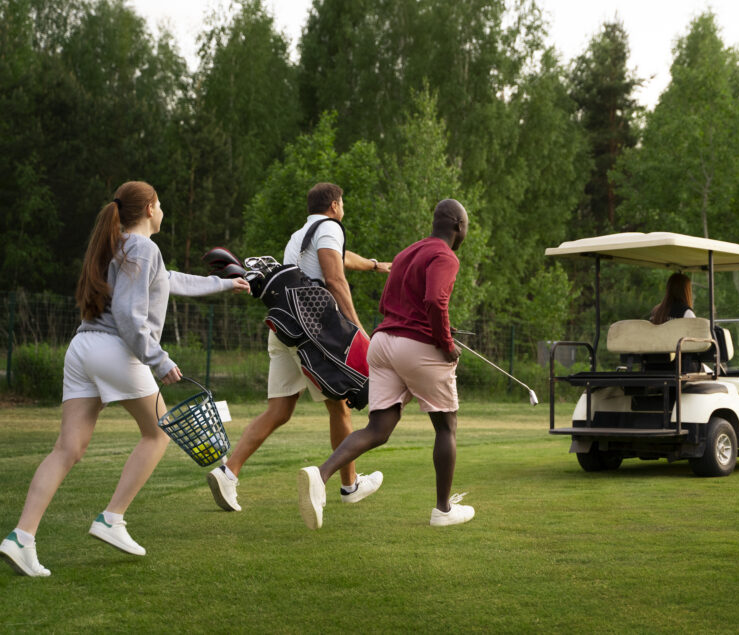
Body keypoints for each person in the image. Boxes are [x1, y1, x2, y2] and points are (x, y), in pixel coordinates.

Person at [0, 181, 249, 578]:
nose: (163, 209)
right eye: (161, 203)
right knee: (159, 433)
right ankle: (112, 519)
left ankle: (21, 538)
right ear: (150, 208)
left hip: (82, 349)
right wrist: (160, 360)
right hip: (116, 349)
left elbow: (170, 280)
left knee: (67, 448)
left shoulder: (119, 246)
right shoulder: (143, 247)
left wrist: (223, 283)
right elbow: (130, 317)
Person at [206, 182, 391, 513]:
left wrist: (377, 265)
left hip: (285, 328)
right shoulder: (332, 227)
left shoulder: (300, 236)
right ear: (334, 205)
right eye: (343, 203)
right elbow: (334, 279)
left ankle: (228, 472)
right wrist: (359, 330)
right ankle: (349, 485)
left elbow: (342, 259)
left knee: (279, 410)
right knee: (340, 407)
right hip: (313, 335)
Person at [297, 198, 473, 530]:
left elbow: (386, 302)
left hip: (382, 343)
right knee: (446, 427)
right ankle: (443, 510)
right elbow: (436, 300)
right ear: (459, 228)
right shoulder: (445, 256)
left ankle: (320, 475)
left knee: (378, 429)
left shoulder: (407, 253)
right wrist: (446, 344)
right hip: (415, 346)